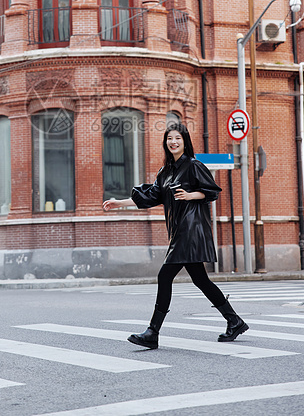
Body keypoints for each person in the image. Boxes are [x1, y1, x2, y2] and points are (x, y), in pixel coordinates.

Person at [103, 122, 249, 349]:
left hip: (190, 230)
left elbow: (212, 192)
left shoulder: (193, 165)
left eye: (177, 139)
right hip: (179, 231)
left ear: (185, 141)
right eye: (170, 139)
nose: (173, 142)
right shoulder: (165, 172)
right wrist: (118, 203)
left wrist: (191, 195)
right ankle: (234, 321)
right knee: (200, 280)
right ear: (166, 143)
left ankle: (152, 332)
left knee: (164, 276)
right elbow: (148, 197)